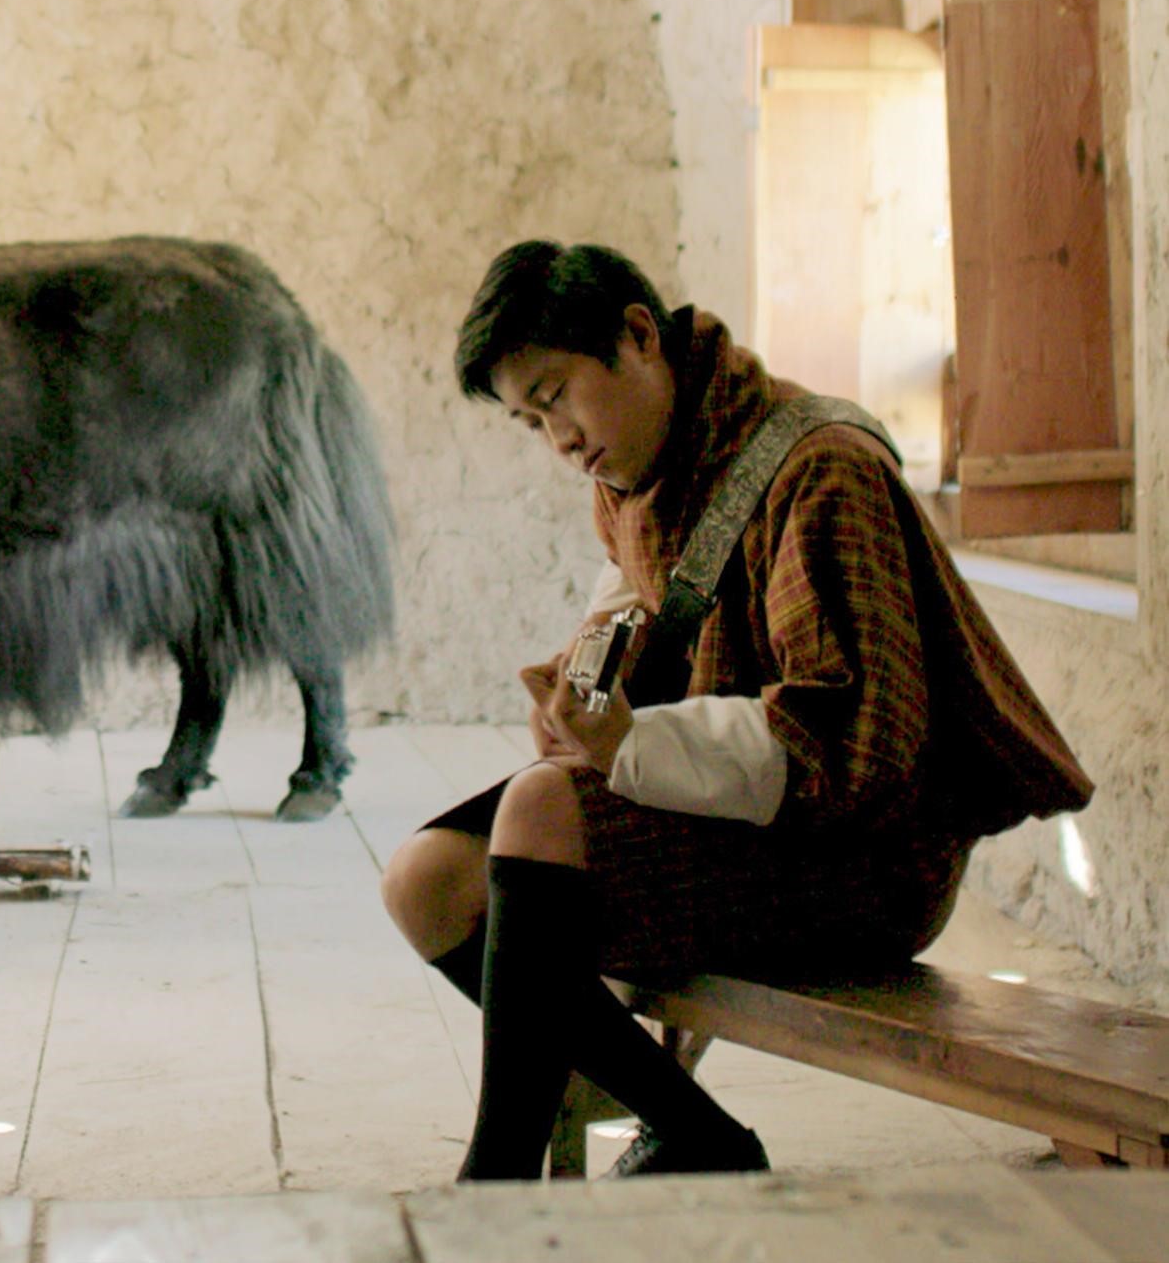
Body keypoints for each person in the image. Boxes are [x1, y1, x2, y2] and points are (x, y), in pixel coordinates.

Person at [383, 240, 1093, 1181]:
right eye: (528, 421)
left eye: (554, 396)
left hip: (864, 856)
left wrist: (631, 744)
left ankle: (495, 1189)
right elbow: (647, 583)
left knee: (542, 812)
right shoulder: (642, 466)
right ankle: (700, 1135)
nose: (556, 439)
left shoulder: (825, 472)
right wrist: (586, 684)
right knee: (424, 881)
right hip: (746, 819)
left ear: (638, 335)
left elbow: (842, 742)